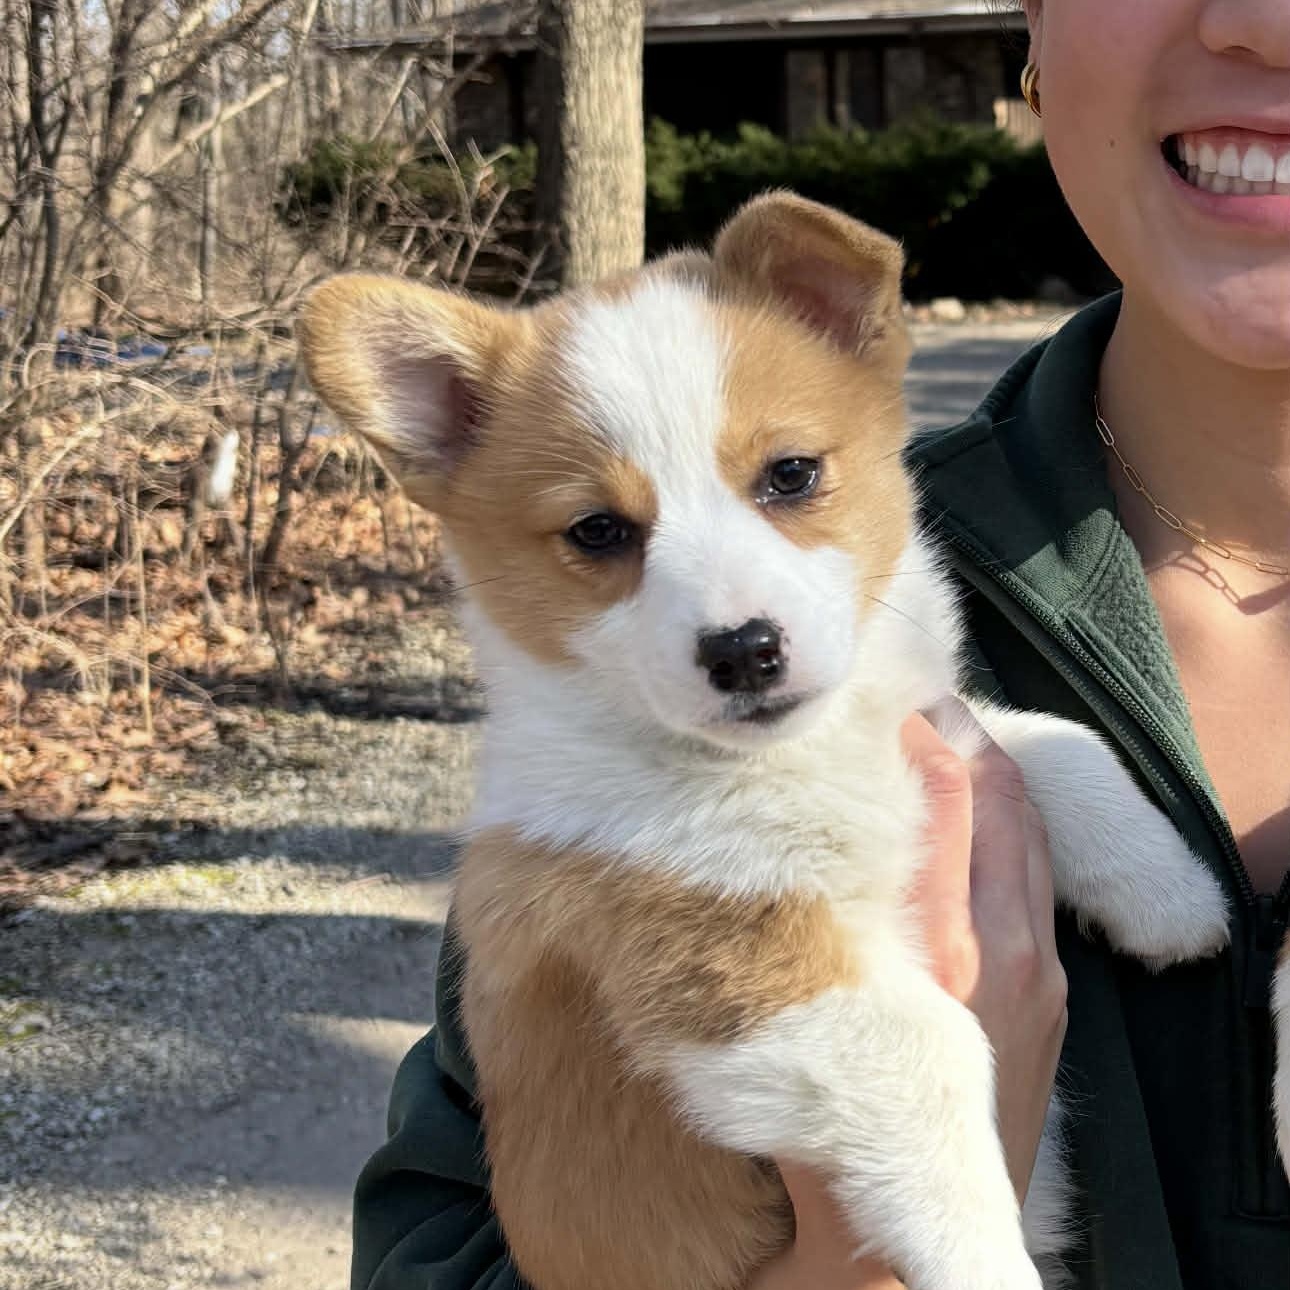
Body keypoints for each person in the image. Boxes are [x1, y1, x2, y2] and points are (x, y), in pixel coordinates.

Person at [348, 1, 1290, 1285]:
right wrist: (861, 1261)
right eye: (602, 534)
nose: (731, 617)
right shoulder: (585, 803)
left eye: (787, 478)